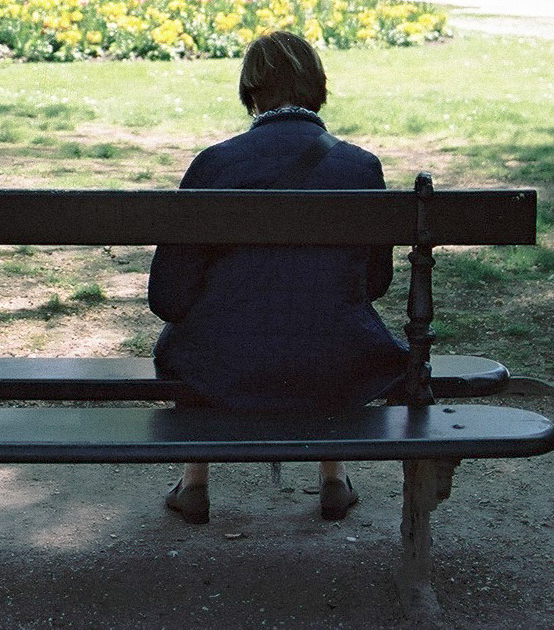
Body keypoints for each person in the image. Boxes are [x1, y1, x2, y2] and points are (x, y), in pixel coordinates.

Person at [148, 32, 407, 526]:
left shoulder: (215, 165)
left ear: (251, 92)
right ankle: (333, 476)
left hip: (227, 364)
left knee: (199, 331)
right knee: (319, 313)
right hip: (335, 359)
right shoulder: (360, 167)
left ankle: (195, 481)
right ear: (318, 88)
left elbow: (170, 296)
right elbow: (374, 283)